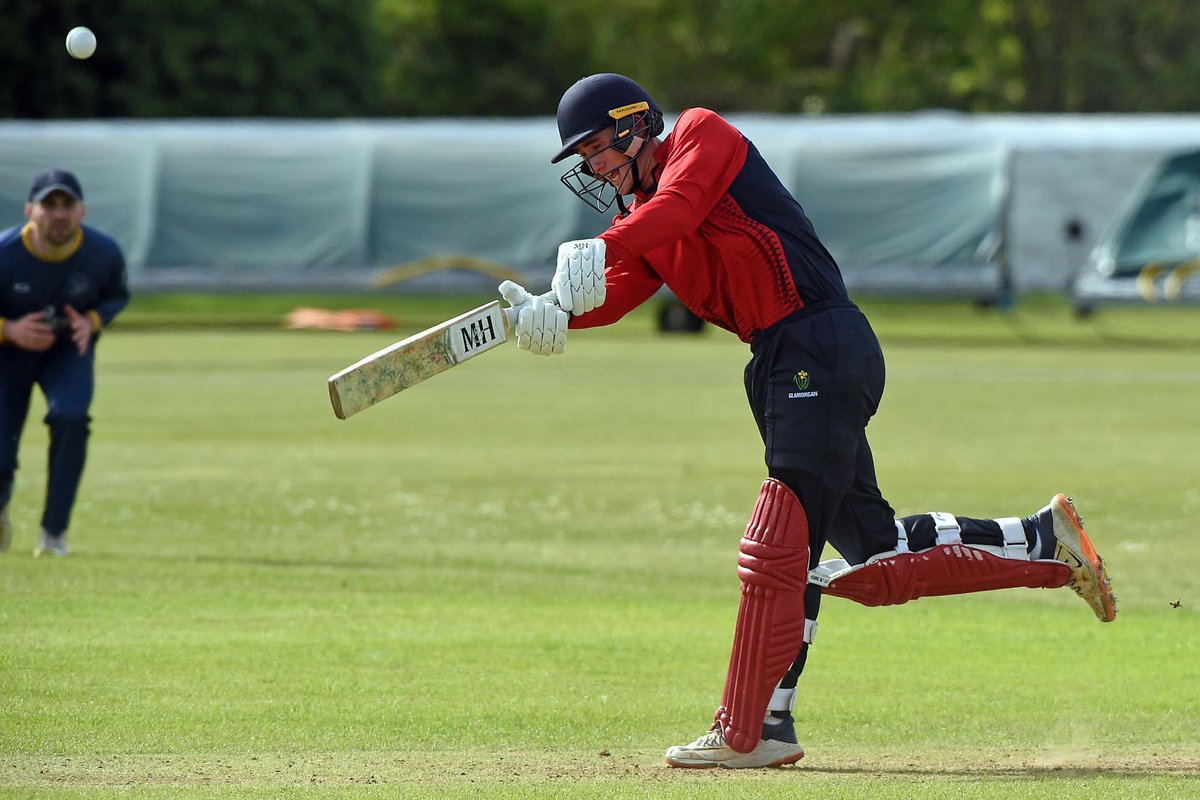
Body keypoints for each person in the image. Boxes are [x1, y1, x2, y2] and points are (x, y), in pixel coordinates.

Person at [497, 73, 1118, 769]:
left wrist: (601, 248)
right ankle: (1042, 541)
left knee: (781, 537)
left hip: (816, 342)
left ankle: (753, 730)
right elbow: (620, 287)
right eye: (583, 158)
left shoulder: (704, 137)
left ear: (634, 123)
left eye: (595, 148)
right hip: (777, 359)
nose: (593, 167)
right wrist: (557, 311)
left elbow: (678, 209)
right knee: (877, 558)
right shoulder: (641, 214)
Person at [0, 168, 130, 557]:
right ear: (30, 211)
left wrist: (91, 322)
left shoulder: (103, 252)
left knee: (71, 418)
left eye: (67, 204)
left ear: (82, 212)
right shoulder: (5, 254)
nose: (59, 214)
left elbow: (115, 297)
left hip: (67, 350)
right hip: (8, 355)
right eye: (49, 205)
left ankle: (53, 534)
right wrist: (8, 330)